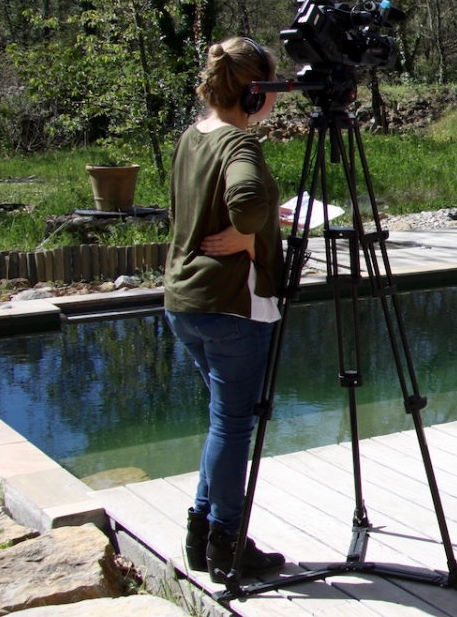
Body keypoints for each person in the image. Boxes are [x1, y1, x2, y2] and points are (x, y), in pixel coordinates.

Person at [165, 36, 286, 582]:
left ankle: (201, 531)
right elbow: (244, 203)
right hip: (230, 306)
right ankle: (226, 544)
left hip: (184, 301)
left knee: (221, 423)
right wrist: (250, 235)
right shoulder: (240, 146)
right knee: (234, 428)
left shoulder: (192, 137)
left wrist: (250, 223)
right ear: (254, 92)